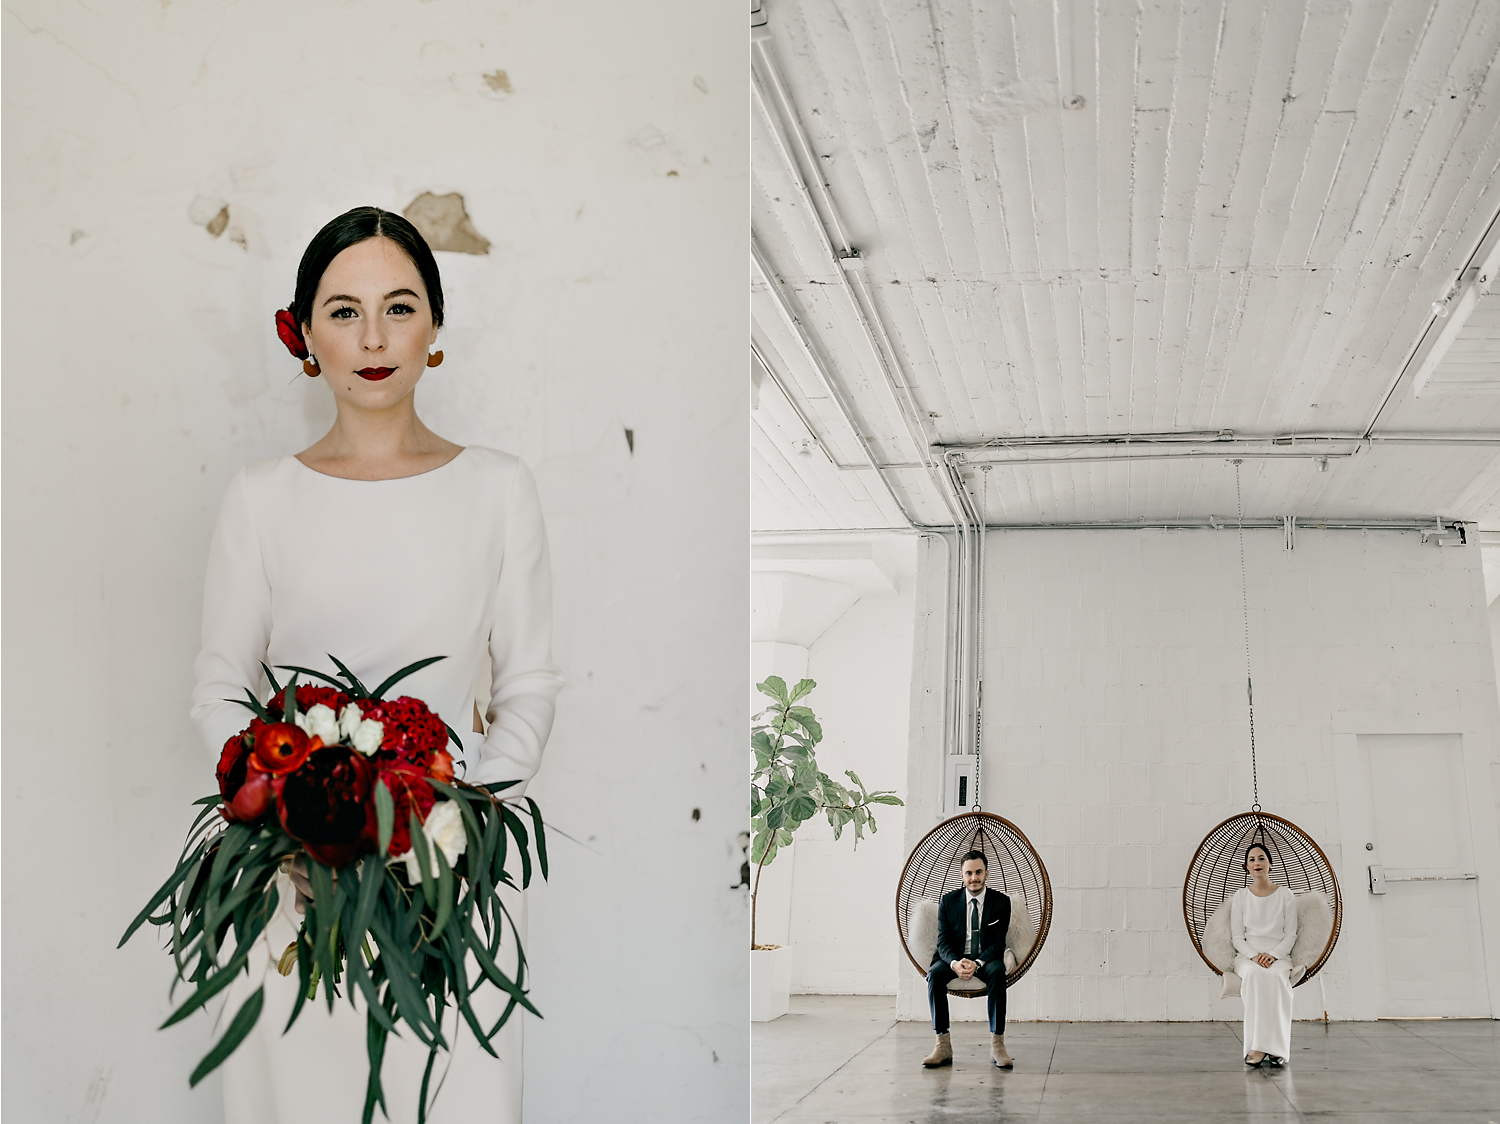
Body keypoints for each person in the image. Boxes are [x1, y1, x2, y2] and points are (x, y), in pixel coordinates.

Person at [191, 206, 565, 1124]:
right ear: (305, 331)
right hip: (289, 887)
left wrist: (447, 812)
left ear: (435, 328)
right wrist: (287, 820)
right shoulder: (259, 499)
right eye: (344, 309)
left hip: (446, 884)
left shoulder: (498, 488)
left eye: (399, 307)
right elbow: (219, 688)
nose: (372, 336)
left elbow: (528, 687)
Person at [922, 851, 1013, 1070]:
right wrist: (954, 963)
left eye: (978, 872)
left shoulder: (1001, 902)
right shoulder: (948, 902)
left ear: (986, 873)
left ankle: (997, 1044)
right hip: (955, 958)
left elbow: (998, 943)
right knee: (934, 975)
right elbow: (943, 942)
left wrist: (978, 963)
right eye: (969, 873)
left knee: (998, 972)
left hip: (985, 959)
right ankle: (942, 1044)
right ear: (962, 876)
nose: (974, 877)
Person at [1230, 842, 1298, 1068]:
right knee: (1255, 976)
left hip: (1278, 956)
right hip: (1248, 957)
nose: (1256, 863)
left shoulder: (1285, 895)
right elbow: (1237, 937)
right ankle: (1257, 1046)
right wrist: (1254, 956)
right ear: (1245, 867)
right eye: (1251, 860)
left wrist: (1274, 955)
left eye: (1261, 858)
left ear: (1270, 864)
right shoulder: (1240, 897)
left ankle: (1277, 1049)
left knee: (1277, 978)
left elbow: (1291, 933)